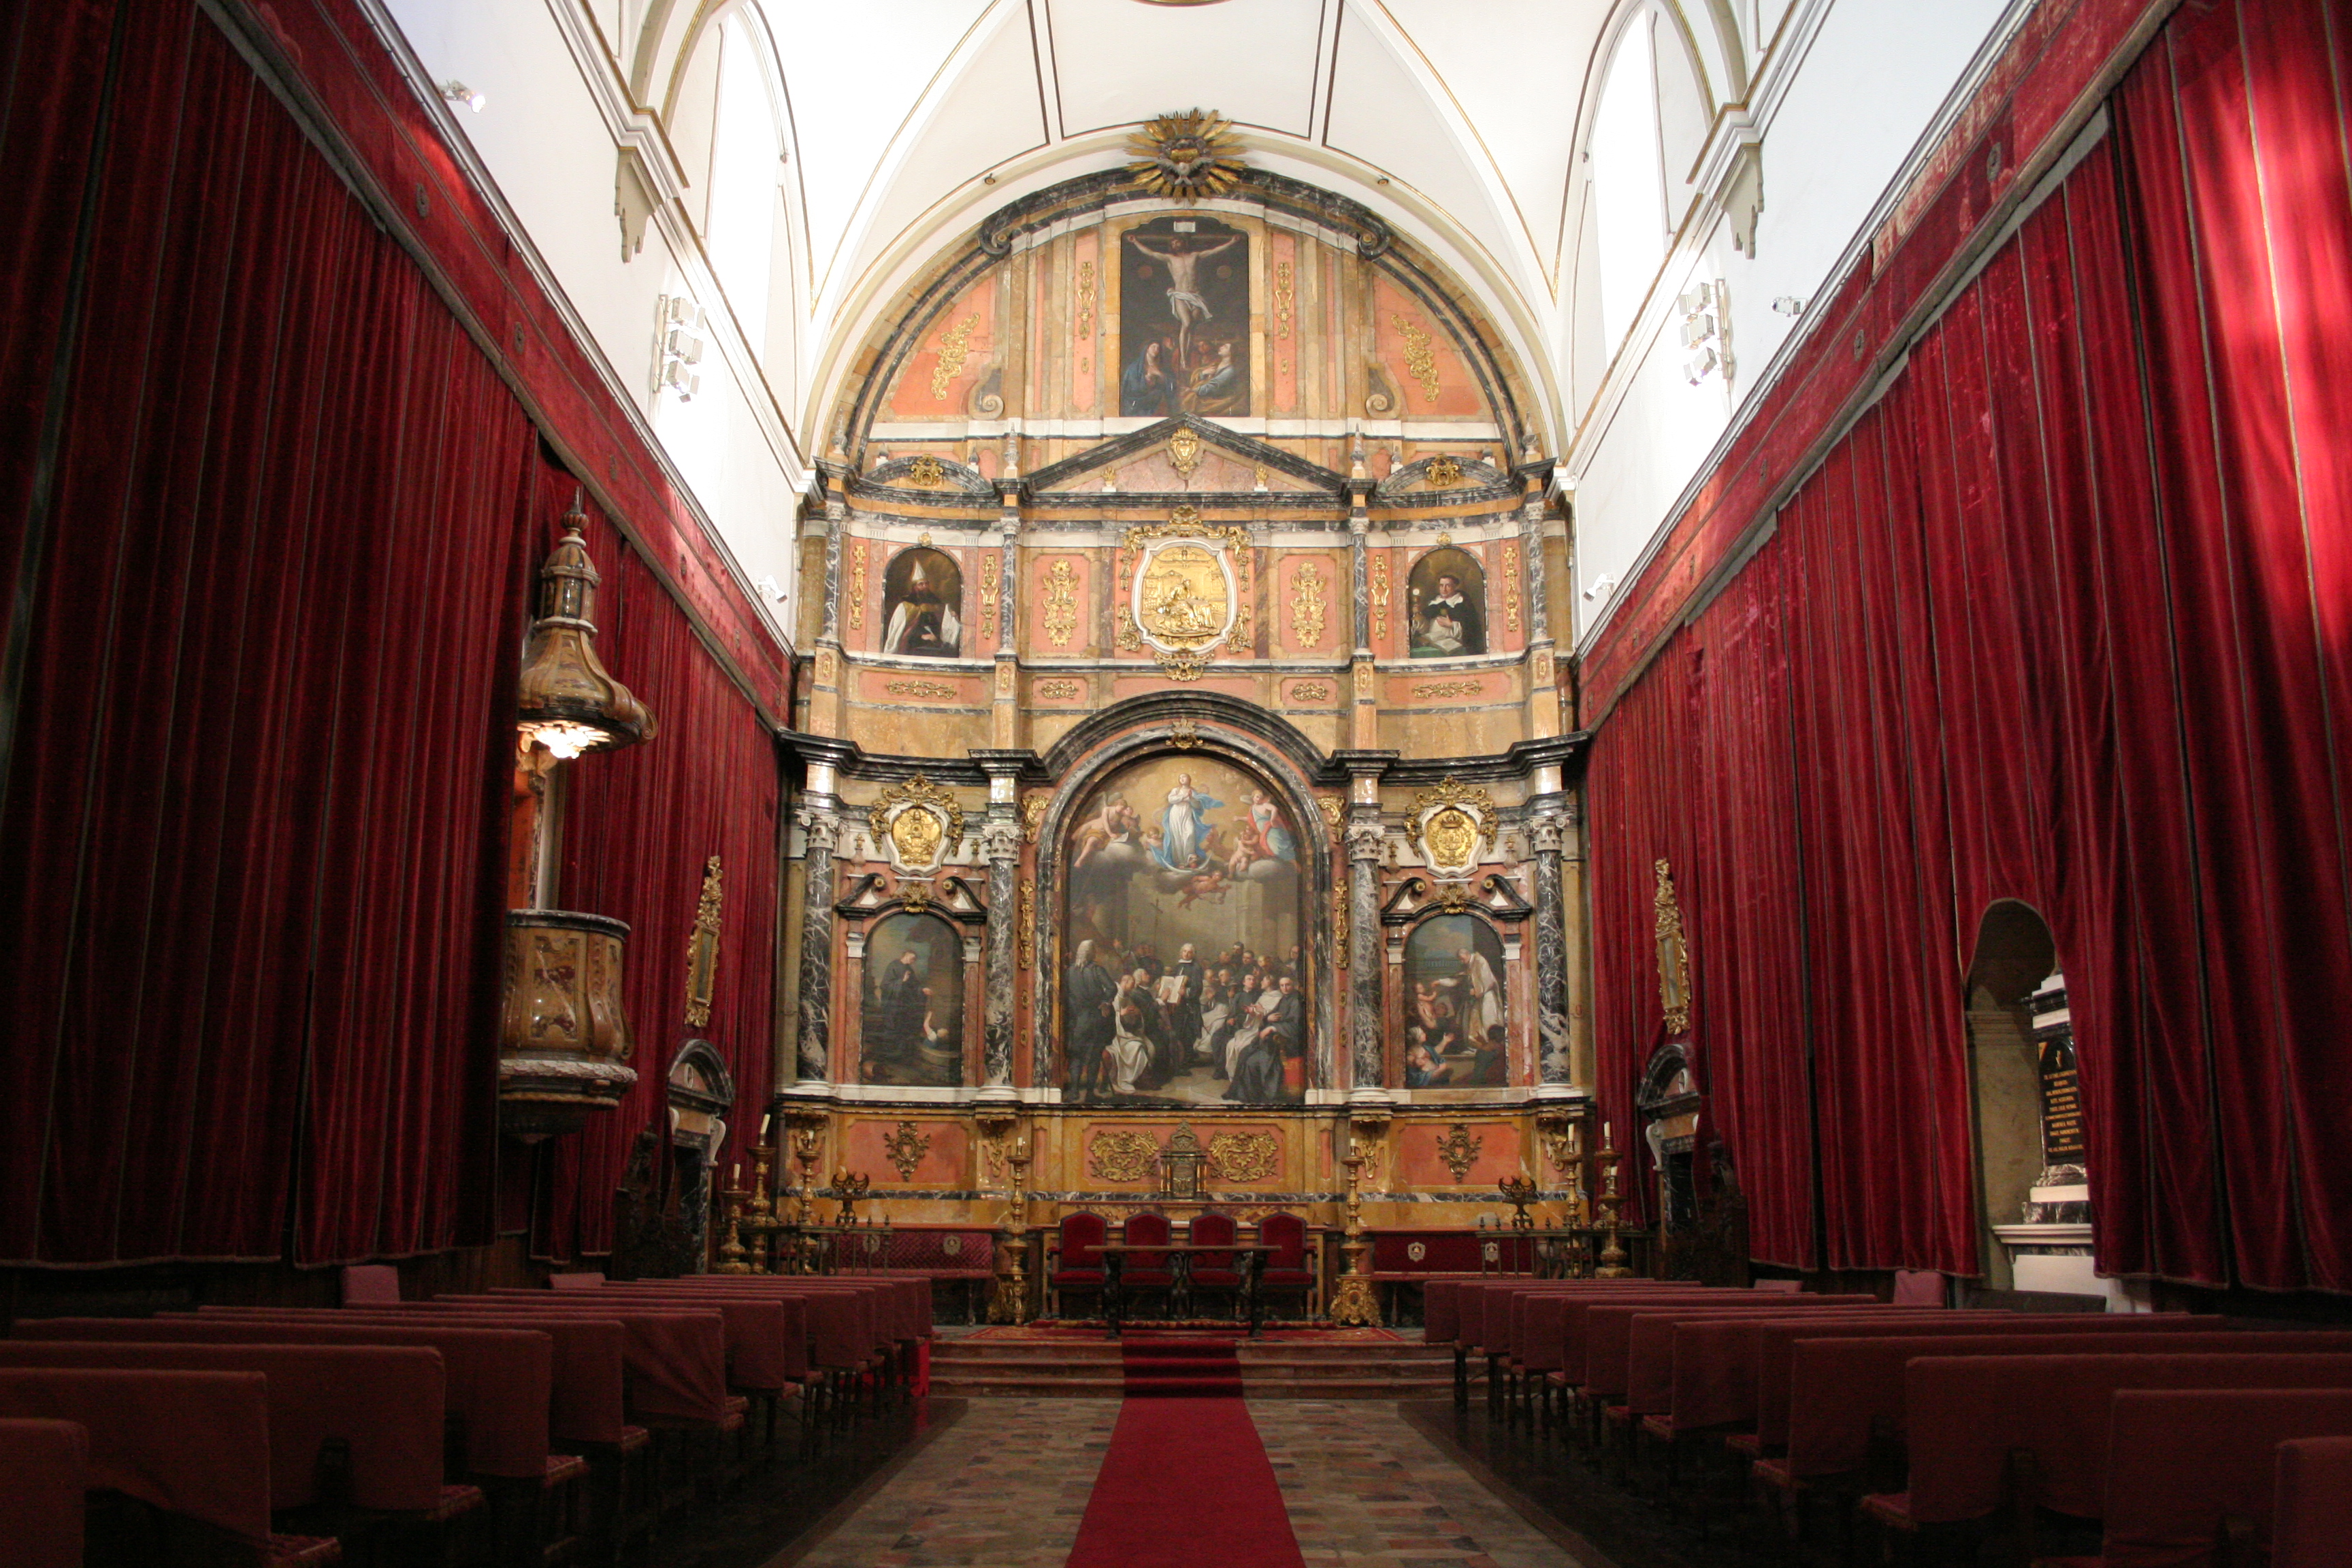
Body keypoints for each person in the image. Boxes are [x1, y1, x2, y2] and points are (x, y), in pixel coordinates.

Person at [1127, 231, 1241, 370]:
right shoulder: (1170, 258)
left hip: (1195, 296)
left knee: (1192, 327)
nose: (1176, 244)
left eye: (1178, 242)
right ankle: (1183, 359)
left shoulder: (1195, 256)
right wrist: (1135, 242)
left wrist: (1232, 242)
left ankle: (1186, 356)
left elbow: (1214, 251)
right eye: (1173, 243)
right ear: (1171, 246)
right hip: (1180, 295)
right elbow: (1151, 253)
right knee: (1186, 323)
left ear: (1183, 243)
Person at [1066, 940, 1116, 1098]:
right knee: (1094, 1056)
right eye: (1094, 950)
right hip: (1096, 1020)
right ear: (1091, 953)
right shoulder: (1097, 970)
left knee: (1077, 1056)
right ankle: (1089, 1093)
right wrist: (1105, 1002)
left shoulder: (1069, 971)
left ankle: (1074, 1091)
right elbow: (1112, 988)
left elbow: (1067, 996)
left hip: (1078, 1021)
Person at [868, 949, 929, 1079]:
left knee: (904, 1030)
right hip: (893, 1006)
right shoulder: (893, 966)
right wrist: (902, 981)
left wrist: (922, 989)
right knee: (892, 1029)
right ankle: (889, 1059)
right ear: (905, 955)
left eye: (914, 960)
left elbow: (914, 986)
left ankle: (900, 1058)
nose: (912, 961)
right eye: (911, 958)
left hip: (905, 1006)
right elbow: (885, 986)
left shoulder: (909, 969)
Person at [883, 555, 962, 656]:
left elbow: (941, 623)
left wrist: (952, 616)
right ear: (915, 587)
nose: (925, 587)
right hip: (914, 645)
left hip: (935, 644)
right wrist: (922, 636)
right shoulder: (905, 607)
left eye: (926, 584)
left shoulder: (936, 604)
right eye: (921, 584)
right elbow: (901, 632)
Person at [1153, 773, 1222, 871]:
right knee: (1177, 837)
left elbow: (1197, 806)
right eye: (1180, 777)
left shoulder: (1192, 792)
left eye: (1184, 777)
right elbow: (1171, 799)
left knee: (1190, 833)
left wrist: (1192, 798)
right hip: (1175, 814)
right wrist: (1184, 797)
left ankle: (1190, 858)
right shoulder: (1176, 790)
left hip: (1187, 813)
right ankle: (1180, 862)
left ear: (1189, 779)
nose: (1182, 779)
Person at [1414, 570, 1484, 656]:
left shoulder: (1463, 604)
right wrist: (1419, 616)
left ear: (1455, 586)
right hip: (1433, 642)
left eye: (1448, 586)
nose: (1444, 589)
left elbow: (1472, 627)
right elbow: (1425, 626)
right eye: (1441, 585)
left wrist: (1451, 624)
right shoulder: (1434, 603)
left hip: (1454, 644)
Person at [1120, 338, 1174, 419]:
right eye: (1153, 347)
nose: (1156, 350)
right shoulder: (1134, 368)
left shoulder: (1161, 368)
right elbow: (1132, 389)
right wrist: (1145, 382)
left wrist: (1160, 375)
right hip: (1137, 403)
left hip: (1156, 404)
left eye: (1158, 348)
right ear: (1147, 349)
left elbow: (1170, 386)